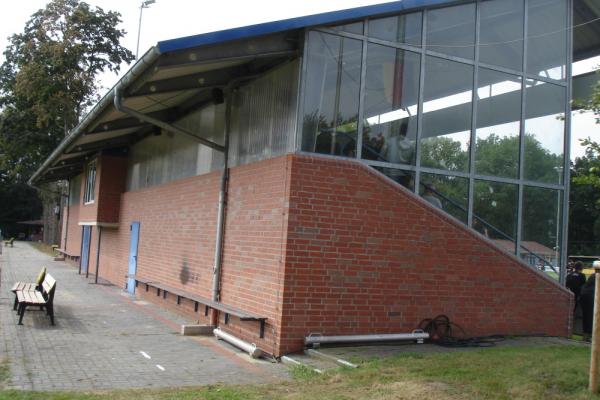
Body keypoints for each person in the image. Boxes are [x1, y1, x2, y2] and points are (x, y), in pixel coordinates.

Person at [580, 274, 595, 341]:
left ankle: (585, 336)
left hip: (584, 297)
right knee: (591, 317)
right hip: (591, 297)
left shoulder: (592, 276)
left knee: (586, 317)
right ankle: (589, 336)